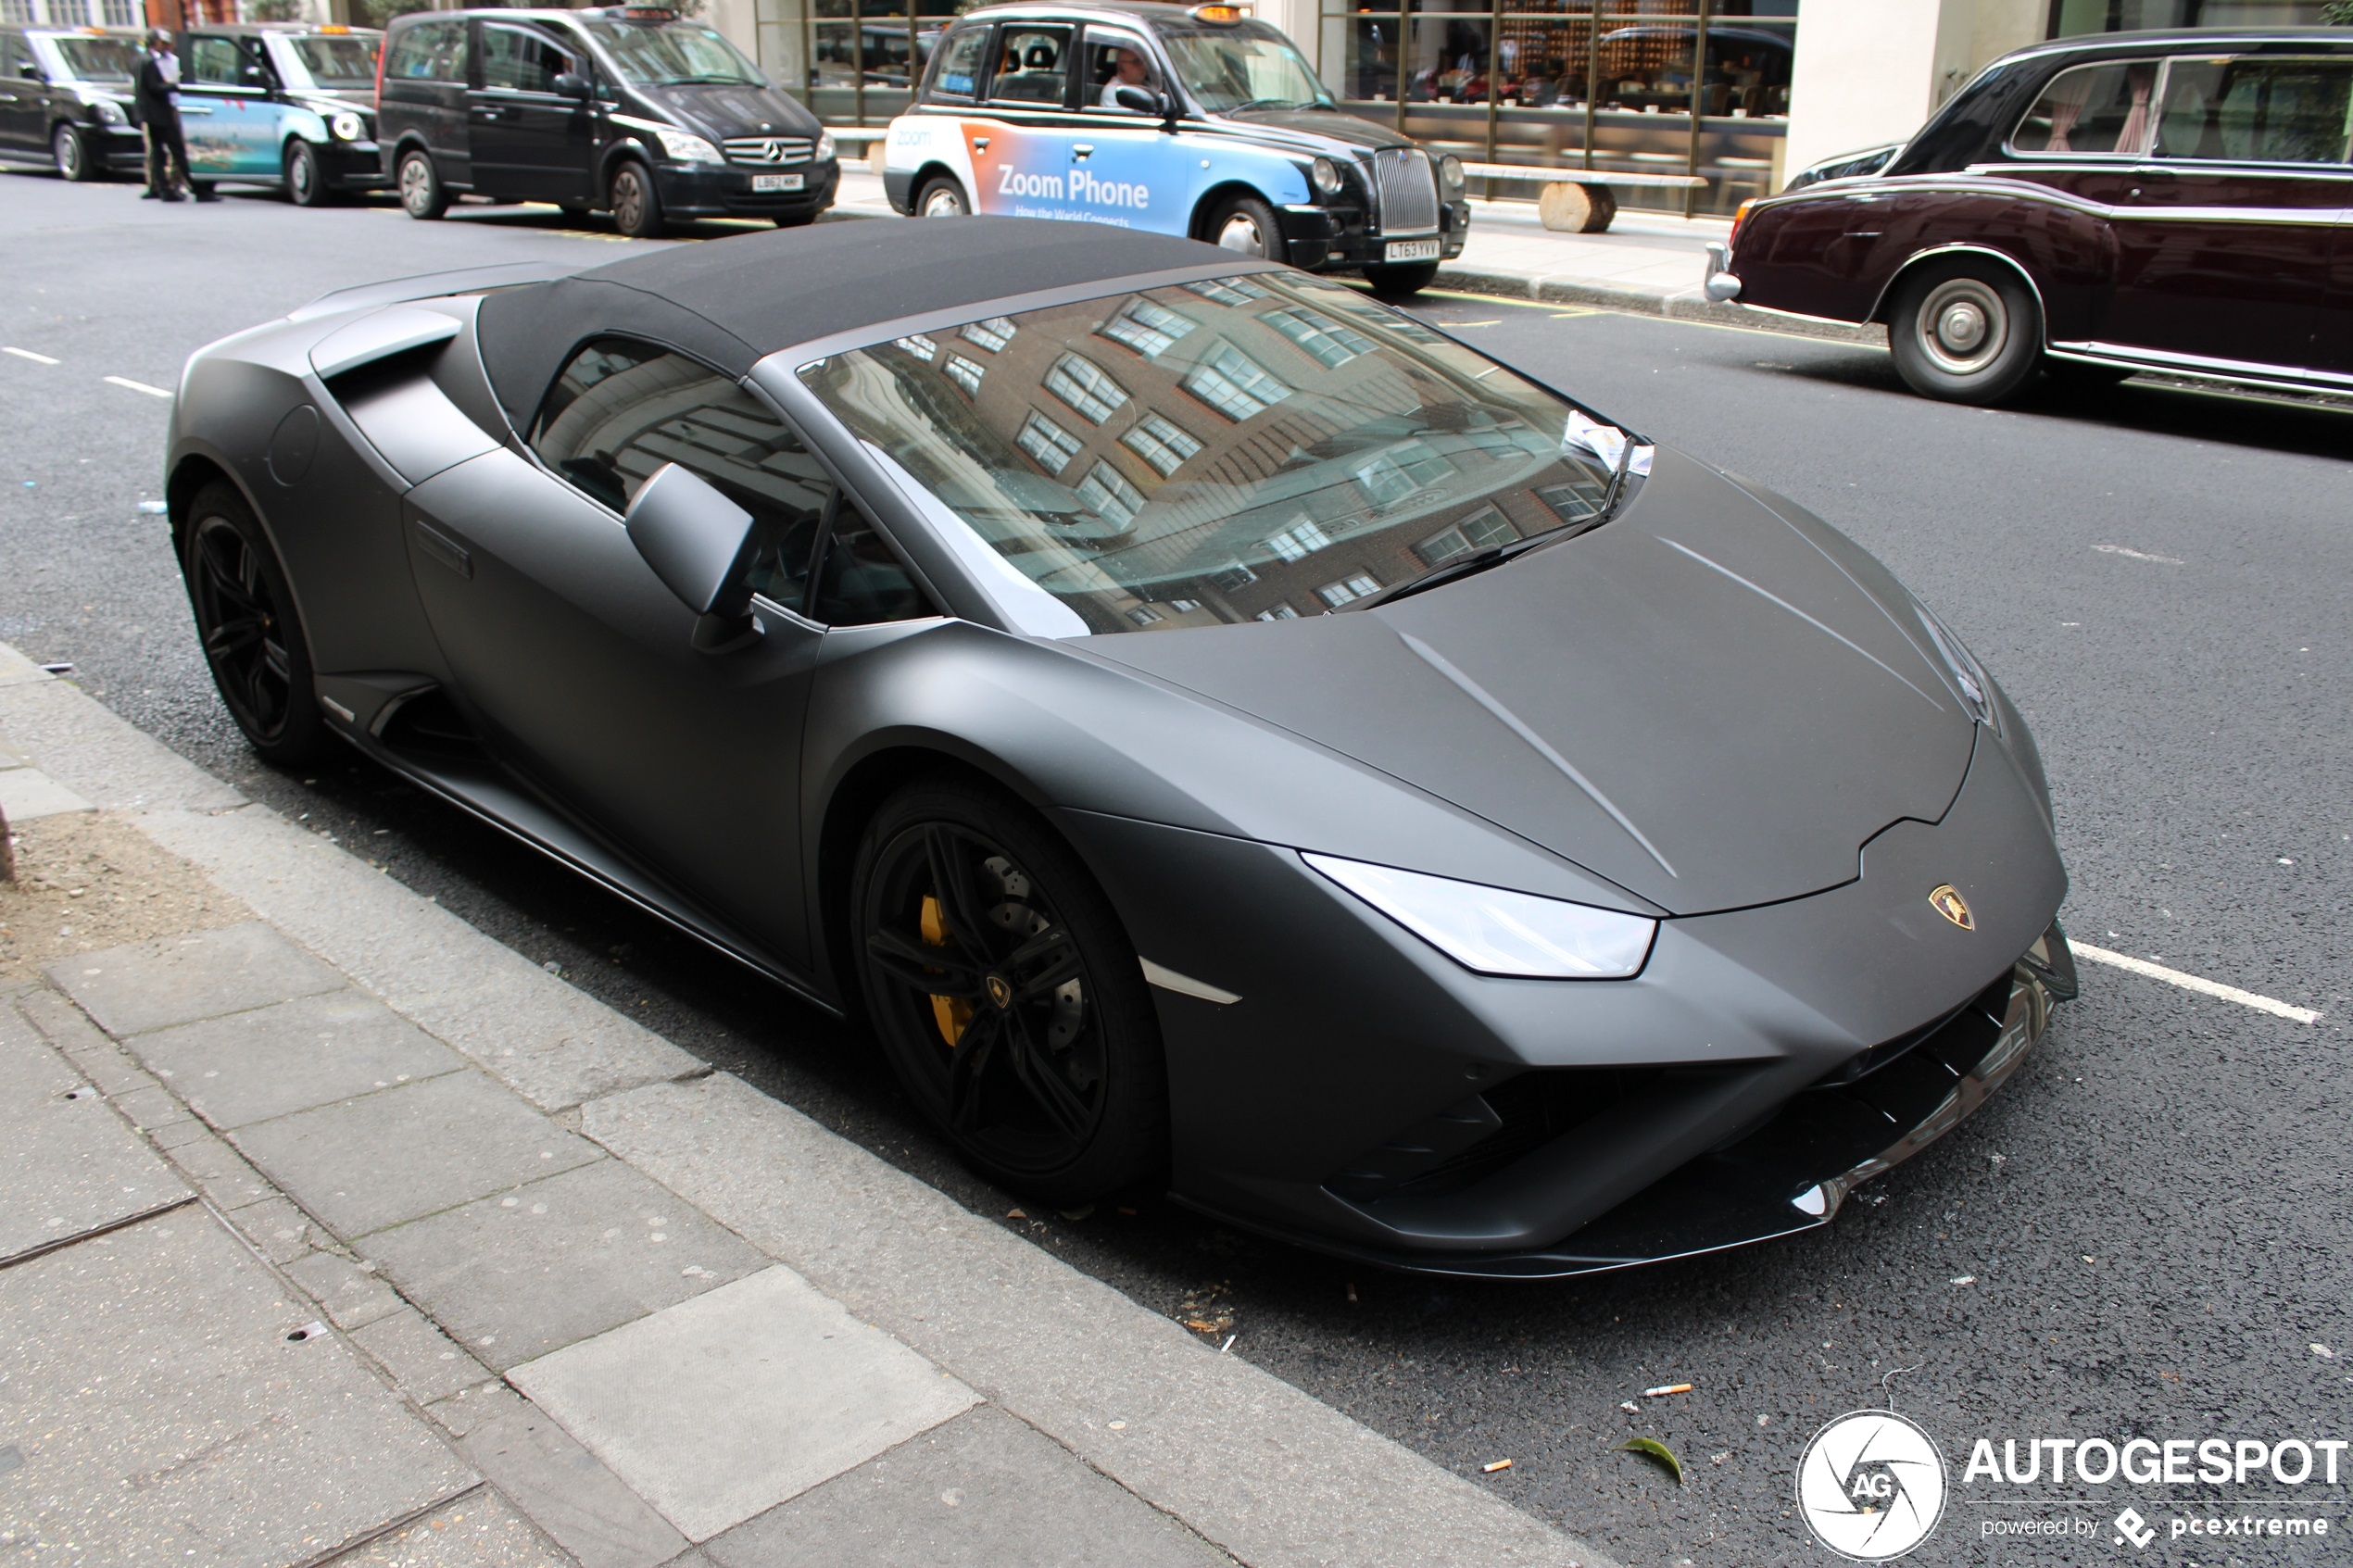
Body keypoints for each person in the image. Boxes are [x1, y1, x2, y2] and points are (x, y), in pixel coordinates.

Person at [134, 31, 192, 203]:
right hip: (159, 112)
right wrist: (173, 86)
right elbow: (154, 86)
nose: (166, 46)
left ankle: (169, 185)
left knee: (160, 151)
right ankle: (163, 187)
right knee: (167, 150)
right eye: (162, 42)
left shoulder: (169, 60)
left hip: (162, 109)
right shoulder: (150, 61)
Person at [1098, 45, 1151, 109]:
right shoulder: (1114, 92)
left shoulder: (1145, 84)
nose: (1143, 66)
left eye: (1143, 61)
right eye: (1136, 62)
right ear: (1121, 66)